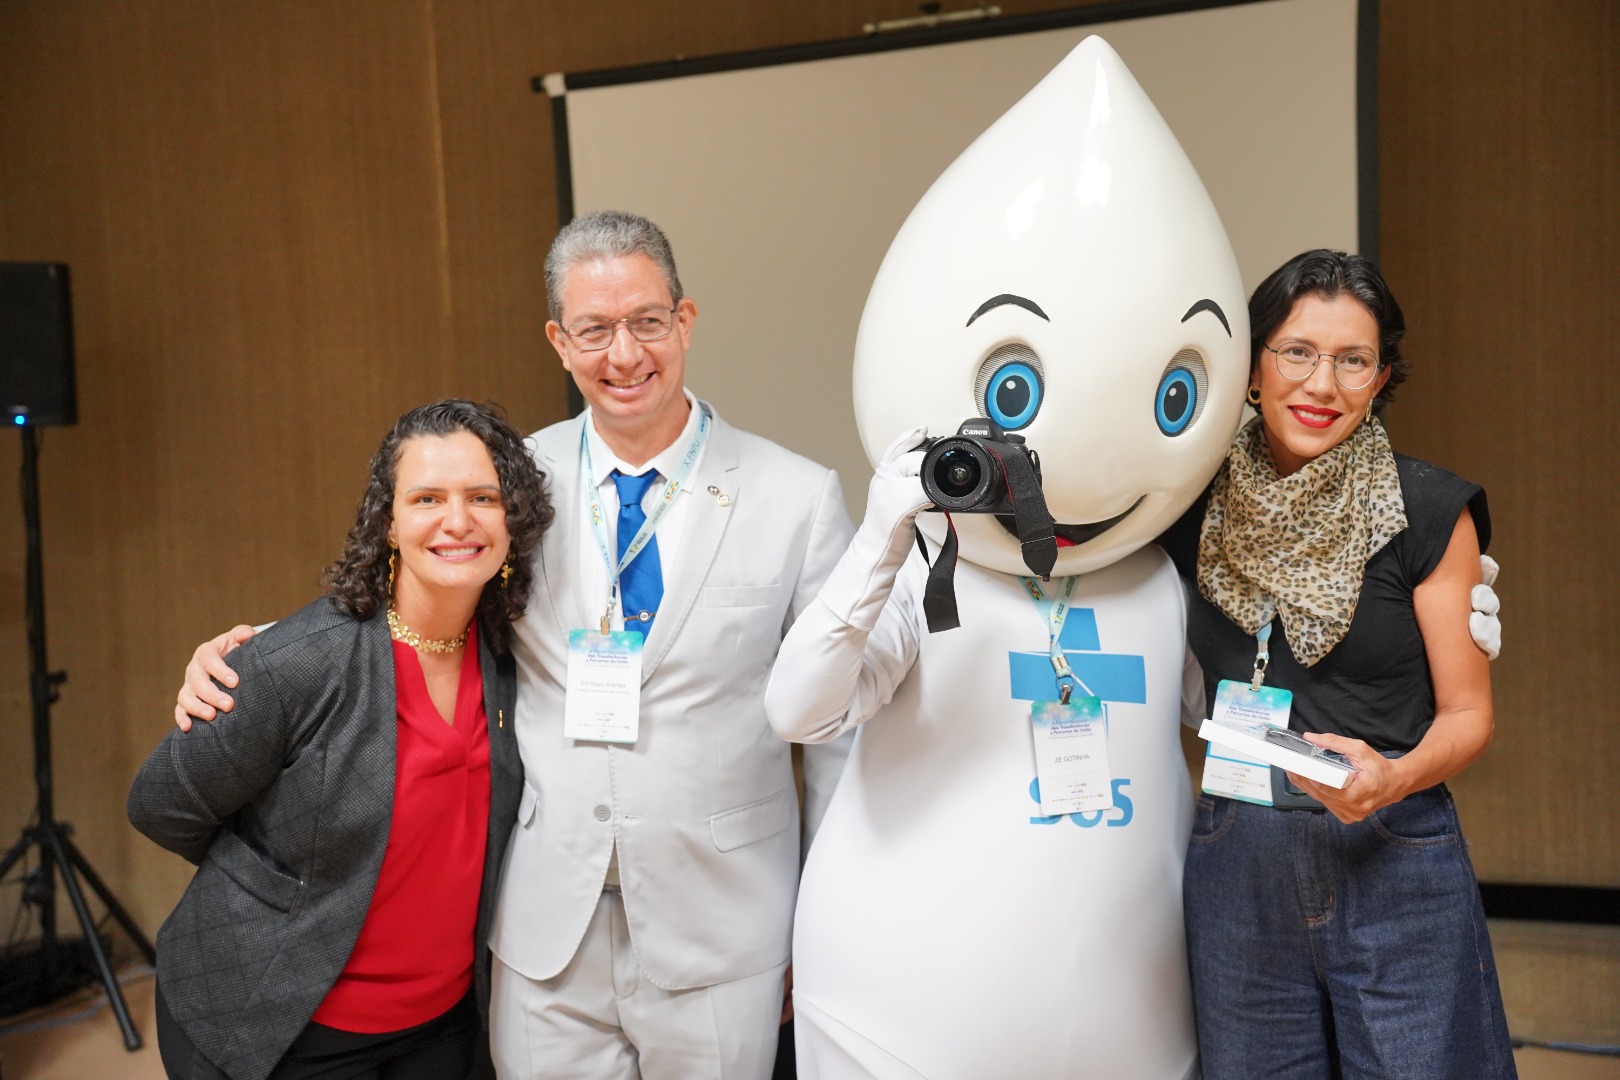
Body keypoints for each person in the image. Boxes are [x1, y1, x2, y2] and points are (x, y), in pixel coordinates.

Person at [172, 210, 855, 1080]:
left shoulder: (797, 496)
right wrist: (261, 652)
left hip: (725, 920)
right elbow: (416, 599)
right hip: (543, 919)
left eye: (647, 321)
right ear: (559, 343)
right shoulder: (507, 483)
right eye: (594, 330)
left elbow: (836, 735)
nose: (624, 354)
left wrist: (827, 924)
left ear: (685, 321)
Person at [1159, 249, 1515, 1078]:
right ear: (1253, 369)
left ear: (1380, 378)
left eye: (1353, 361)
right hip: (1236, 860)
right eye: (1297, 352)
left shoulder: (1429, 509)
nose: (1321, 384)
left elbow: (1470, 716)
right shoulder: (1190, 506)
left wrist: (1392, 779)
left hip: (1393, 854)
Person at [129, 399, 551, 1080]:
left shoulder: (512, 655)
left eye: (483, 497)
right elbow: (160, 805)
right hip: (280, 1021)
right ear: (388, 522)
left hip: (443, 1023)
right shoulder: (299, 662)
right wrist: (282, 887)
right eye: (427, 498)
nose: (457, 521)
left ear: (514, 519)